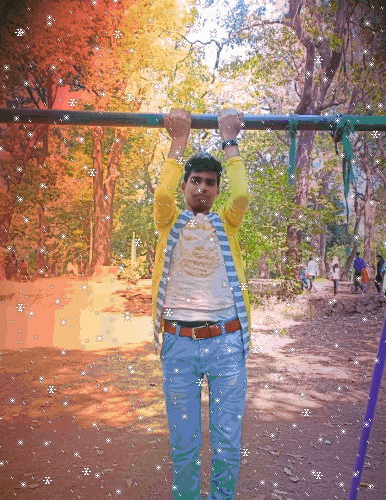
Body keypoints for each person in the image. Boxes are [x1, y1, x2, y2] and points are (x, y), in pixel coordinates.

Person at [152, 108, 251, 500]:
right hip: (178, 343)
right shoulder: (169, 220)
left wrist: (230, 140)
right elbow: (162, 194)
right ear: (185, 185)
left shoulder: (226, 222)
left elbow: (241, 194)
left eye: (211, 182)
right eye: (196, 180)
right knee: (184, 446)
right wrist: (179, 140)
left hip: (227, 343)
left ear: (216, 190)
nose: (203, 188)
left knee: (227, 444)